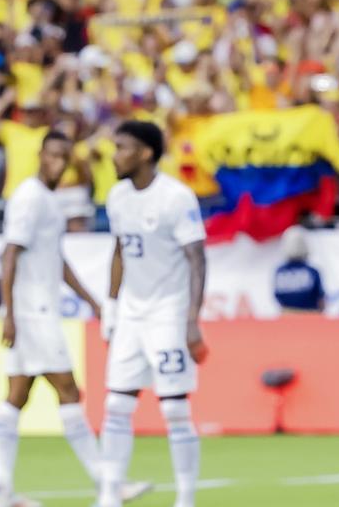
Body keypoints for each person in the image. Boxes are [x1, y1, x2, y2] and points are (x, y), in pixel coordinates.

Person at [0, 131, 150, 507]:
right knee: (68, 390)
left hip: (36, 309)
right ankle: (107, 482)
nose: (57, 163)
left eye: (64, 157)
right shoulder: (30, 198)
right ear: (40, 156)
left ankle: (1, 491)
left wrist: (91, 300)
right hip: (34, 312)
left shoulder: (48, 199)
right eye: (52, 155)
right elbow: (9, 254)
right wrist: (9, 313)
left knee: (17, 396)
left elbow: (56, 259)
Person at [97, 121, 208, 507]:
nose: (114, 155)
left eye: (122, 147)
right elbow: (119, 251)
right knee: (116, 405)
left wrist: (192, 320)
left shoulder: (176, 198)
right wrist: (110, 309)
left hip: (168, 312)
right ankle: (110, 495)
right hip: (130, 312)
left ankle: (186, 498)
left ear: (145, 153)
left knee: (175, 408)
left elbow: (197, 259)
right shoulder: (117, 196)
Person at [273, 226, 325, 313]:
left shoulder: (280, 272)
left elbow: (278, 296)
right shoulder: (312, 271)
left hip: (287, 317)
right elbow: (320, 299)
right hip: (310, 316)